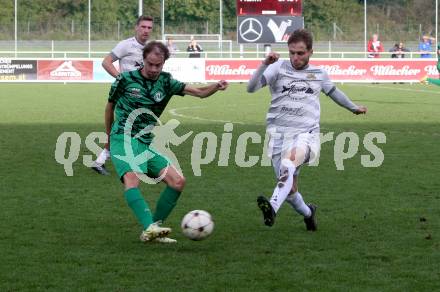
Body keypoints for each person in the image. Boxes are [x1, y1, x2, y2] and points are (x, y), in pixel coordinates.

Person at [105, 41, 228, 243]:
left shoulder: (167, 82)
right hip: (122, 137)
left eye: (158, 65)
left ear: (164, 63)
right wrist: (108, 138)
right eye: (150, 64)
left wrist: (216, 86)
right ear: (143, 60)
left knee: (178, 182)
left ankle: (152, 229)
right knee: (132, 178)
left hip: (144, 142)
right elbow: (109, 107)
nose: (154, 69)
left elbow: (199, 93)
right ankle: (149, 227)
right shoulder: (125, 80)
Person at [247, 29, 367, 231]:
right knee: (290, 191)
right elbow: (251, 87)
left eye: (300, 53)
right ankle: (309, 213)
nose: (295, 57)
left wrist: (353, 107)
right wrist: (264, 64)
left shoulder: (319, 74)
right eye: (292, 52)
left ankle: (272, 208)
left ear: (311, 51)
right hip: (278, 136)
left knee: (289, 163)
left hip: (306, 135)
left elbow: (334, 92)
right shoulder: (277, 67)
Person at [91, 15, 154, 176]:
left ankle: (101, 159)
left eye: (149, 28)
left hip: (142, 96)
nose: (146, 30)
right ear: (136, 27)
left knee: (134, 128)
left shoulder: (151, 48)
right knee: (125, 129)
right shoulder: (126, 45)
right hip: (126, 95)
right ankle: (106, 159)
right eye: (143, 27)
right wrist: (121, 78)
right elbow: (106, 62)